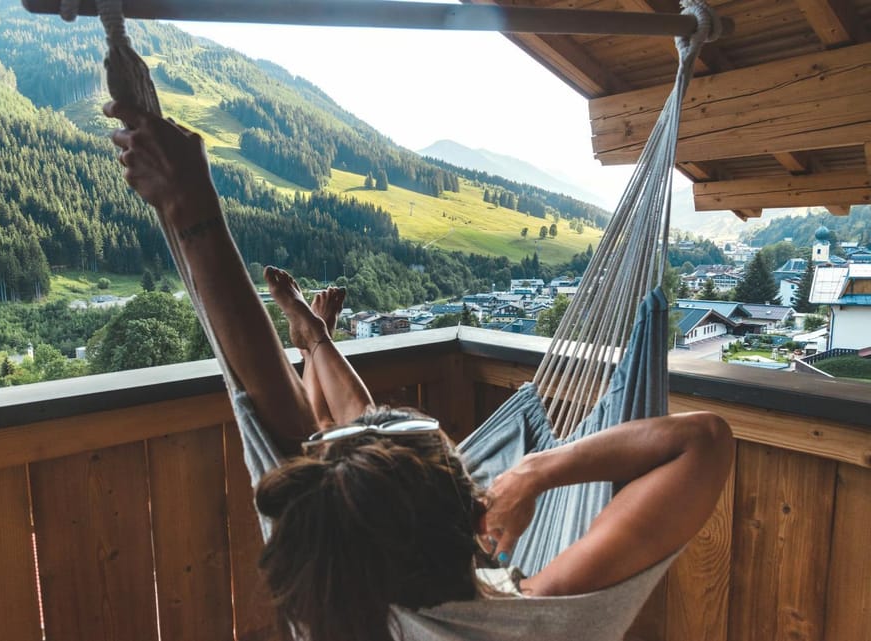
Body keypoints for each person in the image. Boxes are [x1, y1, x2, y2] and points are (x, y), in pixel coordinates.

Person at [105, 101, 734, 641]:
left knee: (347, 434)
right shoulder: (535, 619)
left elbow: (276, 407)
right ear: (476, 512)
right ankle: (317, 343)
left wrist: (188, 208)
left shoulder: (326, 569)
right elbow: (703, 441)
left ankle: (316, 342)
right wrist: (536, 470)